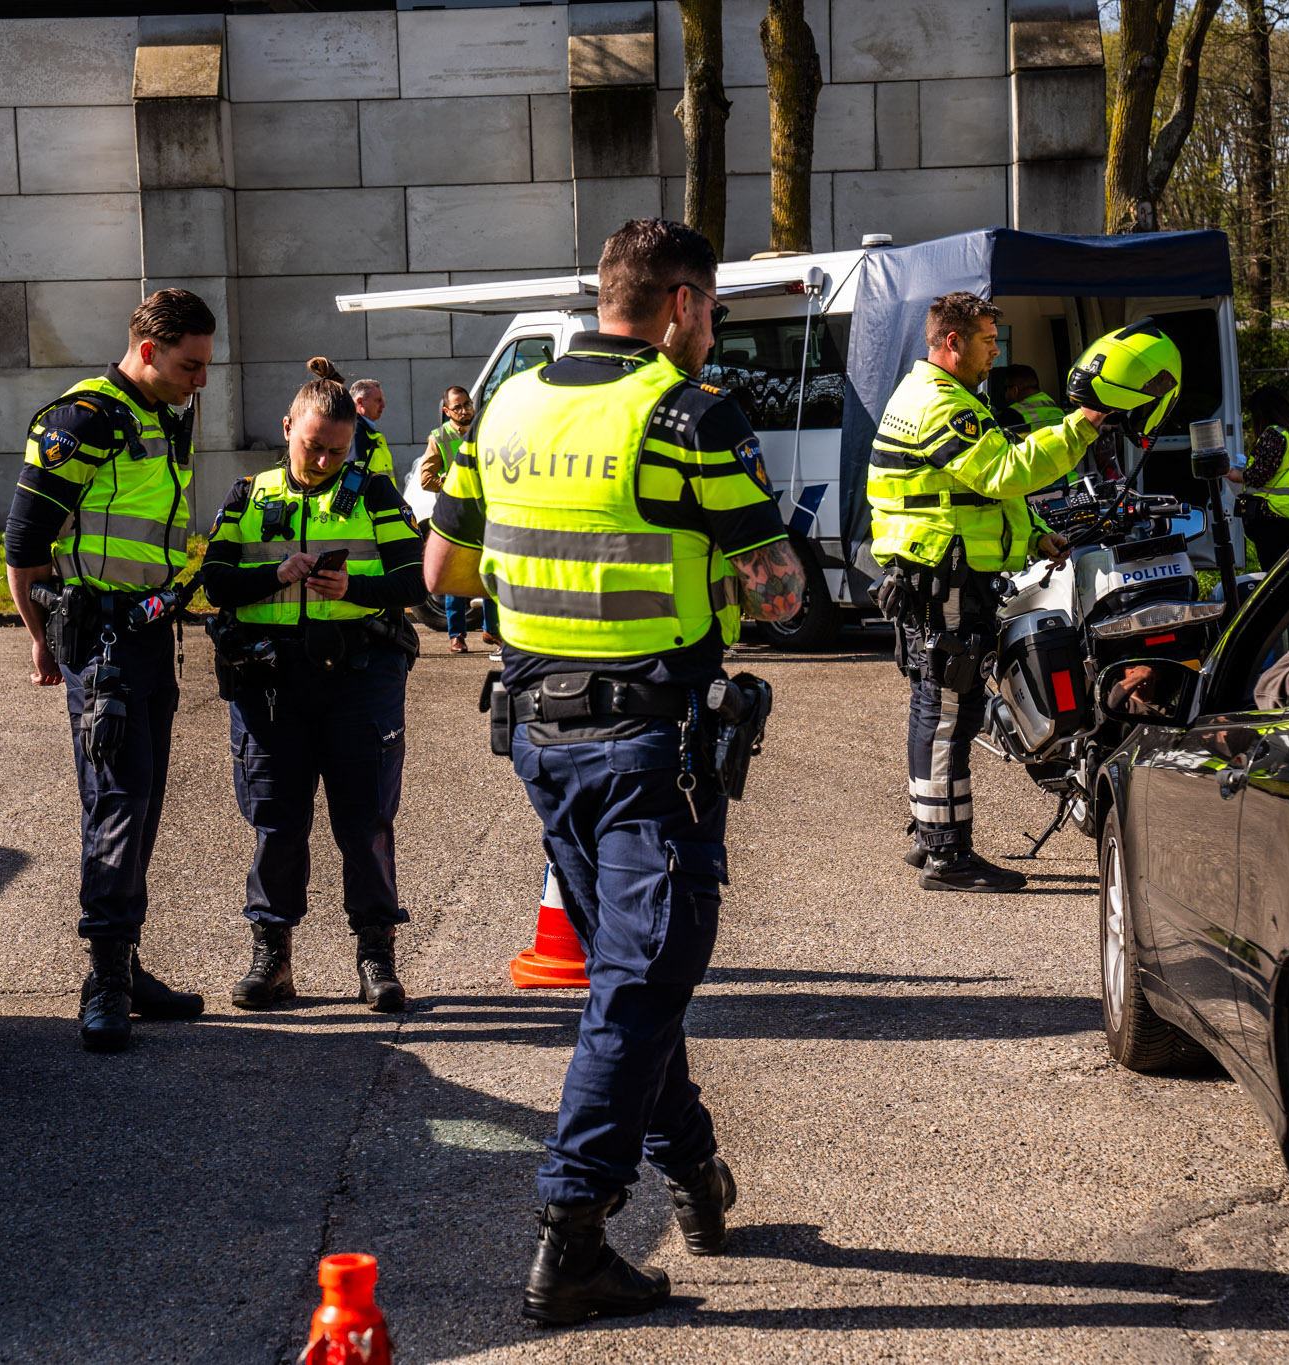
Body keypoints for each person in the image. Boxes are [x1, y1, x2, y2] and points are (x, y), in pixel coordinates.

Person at [426, 218, 806, 1325]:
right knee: (642, 979)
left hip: (538, 735)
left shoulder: (510, 404)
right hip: (649, 744)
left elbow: (444, 565)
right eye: (714, 312)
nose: (712, 330)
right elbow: (777, 592)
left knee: (629, 980)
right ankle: (572, 1228)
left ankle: (691, 1169)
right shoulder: (687, 414)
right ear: (682, 303)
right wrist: (716, 574)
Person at [3, 288, 215, 1053]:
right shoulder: (83, 420)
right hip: (103, 647)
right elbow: (23, 548)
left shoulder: (164, 412)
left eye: (207, 367)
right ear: (148, 350)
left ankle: (124, 962)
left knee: (144, 799)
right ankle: (105, 981)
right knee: (119, 803)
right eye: (191, 365)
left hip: (153, 636)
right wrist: (44, 641)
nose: (202, 381)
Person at [201, 357, 428, 1014]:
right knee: (276, 821)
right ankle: (272, 958)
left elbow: (414, 582)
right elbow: (216, 580)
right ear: (288, 428)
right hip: (271, 683)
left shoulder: (378, 493)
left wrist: (352, 587)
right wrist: (277, 576)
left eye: (338, 448)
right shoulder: (250, 495)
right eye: (313, 445)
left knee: (365, 823)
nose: (326, 460)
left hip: (359, 679)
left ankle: (375, 955)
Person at [868, 292, 1112, 893]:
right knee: (950, 711)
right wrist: (1082, 426)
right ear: (952, 342)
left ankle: (930, 837)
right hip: (947, 578)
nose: (993, 352)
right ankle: (948, 856)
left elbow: (978, 495)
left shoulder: (924, 394)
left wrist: (1034, 538)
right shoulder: (943, 405)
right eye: (985, 341)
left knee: (937, 706)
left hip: (933, 572)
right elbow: (1008, 472)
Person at [1230, 384, 1289, 573]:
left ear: (1263, 414)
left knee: (1276, 578)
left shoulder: (1274, 434)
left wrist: (1234, 474)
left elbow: (1258, 476)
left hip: (1280, 518)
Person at [421, 387, 477, 652]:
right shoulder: (439, 437)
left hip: (483, 512)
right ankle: (457, 635)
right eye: (458, 407)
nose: (465, 410)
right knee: (454, 577)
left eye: (467, 404)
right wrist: (445, 481)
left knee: (489, 573)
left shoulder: (484, 428)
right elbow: (425, 479)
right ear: (447, 411)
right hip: (454, 516)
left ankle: (493, 632)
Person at [350, 377, 397, 487]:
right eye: (378, 401)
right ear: (360, 402)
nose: (383, 406)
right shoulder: (356, 433)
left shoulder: (364, 431)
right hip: (369, 504)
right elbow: (354, 478)